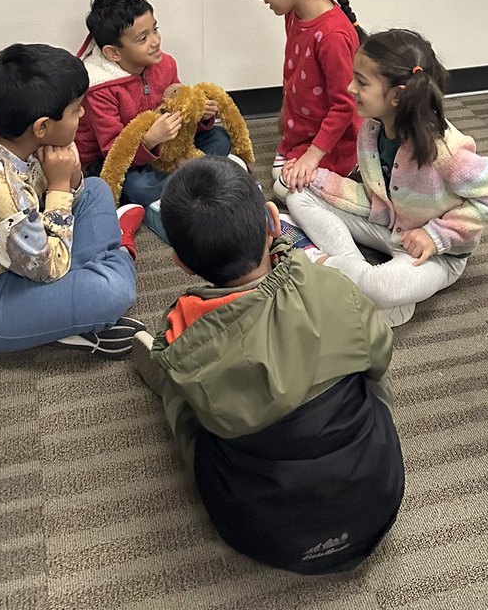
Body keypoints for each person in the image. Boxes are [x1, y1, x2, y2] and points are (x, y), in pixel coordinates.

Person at [131, 156, 404, 574]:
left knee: (181, 389)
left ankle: (162, 372)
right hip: (379, 501)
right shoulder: (332, 285)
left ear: (182, 264)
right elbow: (380, 357)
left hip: (260, 531)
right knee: (364, 368)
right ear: (275, 221)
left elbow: (210, 417)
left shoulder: (184, 333)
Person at [0, 43, 144, 357]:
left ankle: (93, 274)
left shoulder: (6, 135)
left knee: (96, 190)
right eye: (76, 109)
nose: (83, 113)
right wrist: (60, 185)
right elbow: (49, 268)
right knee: (115, 292)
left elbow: (64, 199)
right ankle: (118, 254)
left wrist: (71, 177)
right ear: (43, 127)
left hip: (15, 255)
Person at [285, 29, 488, 328]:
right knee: (296, 191)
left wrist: (436, 236)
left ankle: (322, 265)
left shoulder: (445, 149)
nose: (351, 88)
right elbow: (376, 194)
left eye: (361, 82)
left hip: (435, 255)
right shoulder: (372, 130)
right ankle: (354, 273)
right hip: (386, 222)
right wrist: (313, 177)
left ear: (397, 95)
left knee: (384, 287)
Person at [74, 0, 233, 239]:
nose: (156, 40)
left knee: (220, 138)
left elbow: (179, 106)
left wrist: (200, 116)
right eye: (143, 38)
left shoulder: (165, 63)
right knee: (137, 187)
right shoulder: (99, 89)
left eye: (155, 29)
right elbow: (113, 150)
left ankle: (180, 180)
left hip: (165, 149)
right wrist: (149, 140)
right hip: (114, 160)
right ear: (113, 53)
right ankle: (190, 181)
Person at [248, 0, 364, 196]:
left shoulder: (332, 35)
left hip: (335, 142)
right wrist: (286, 110)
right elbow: (295, 71)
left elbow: (345, 105)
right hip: (301, 130)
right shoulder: (294, 13)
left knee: (283, 186)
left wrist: (313, 155)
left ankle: (351, 176)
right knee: (282, 178)